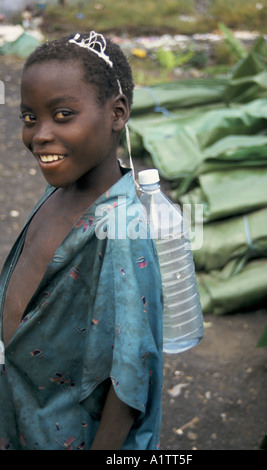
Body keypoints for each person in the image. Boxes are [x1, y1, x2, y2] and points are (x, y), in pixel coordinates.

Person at [0, 32, 163, 451]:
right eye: (30, 117)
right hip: (23, 420)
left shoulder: (121, 229)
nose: (39, 135)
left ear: (117, 113)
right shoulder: (60, 191)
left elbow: (129, 382)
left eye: (63, 114)